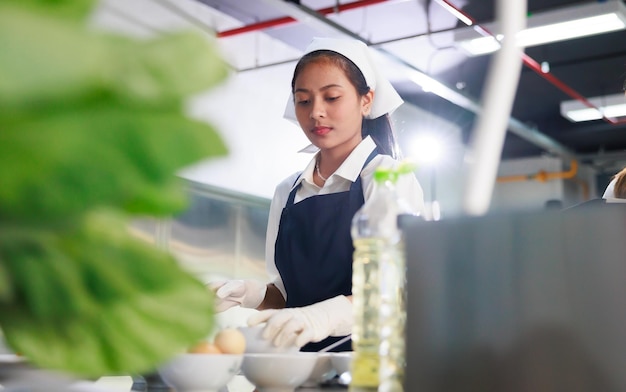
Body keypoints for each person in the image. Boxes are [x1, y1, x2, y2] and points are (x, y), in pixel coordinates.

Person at [212, 38, 424, 352]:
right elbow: (287, 297)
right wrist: (248, 293)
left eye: (332, 97)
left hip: (369, 366)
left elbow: (396, 289)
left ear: (366, 101)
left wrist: (323, 316)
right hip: (298, 369)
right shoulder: (287, 191)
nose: (316, 113)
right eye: (304, 100)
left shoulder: (388, 178)